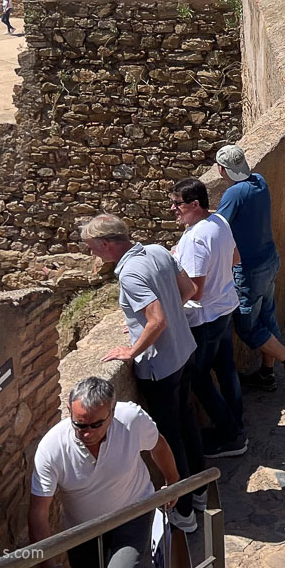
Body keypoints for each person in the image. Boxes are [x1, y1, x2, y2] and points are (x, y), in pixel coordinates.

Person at [81, 213, 206, 533]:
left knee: (169, 435)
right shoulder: (158, 251)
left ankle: (185, 512)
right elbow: (189, 289)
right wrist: (158, 317)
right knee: (188, 421)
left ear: (107, 245)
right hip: (184, 351)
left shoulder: (130, 274)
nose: (92, 254)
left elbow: (157, 319)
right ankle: (202, 492)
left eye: (93, 247)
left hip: (160, 365)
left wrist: (132, 350)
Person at [30, 376, 179, 568]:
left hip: (131, 513)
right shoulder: (52, 448)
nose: (87, 433)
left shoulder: (131, 419)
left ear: (112, 411)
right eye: (79, 424)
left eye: (96, 424)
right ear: (69, 411)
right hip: (83, 529)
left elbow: (158, 445)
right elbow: (38, 512)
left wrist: (173, 481)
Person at [214, 144, 285, 393]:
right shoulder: (260, 181)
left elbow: (218, 228)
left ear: (222, 170)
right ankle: (266, 374)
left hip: (249, 270)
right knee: (267, 315)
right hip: (269, 260)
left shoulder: (234, 195)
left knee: (246, 326)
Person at [170, 177, 247, 458]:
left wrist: (167, 309)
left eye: (177, 204)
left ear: (194, 204)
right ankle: (236, 421)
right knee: (226, 368)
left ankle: (231, 435)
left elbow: (196, 292)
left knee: (199, 376)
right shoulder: (219, 222)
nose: (172, 209)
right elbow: (235, 258)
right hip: (225, 307)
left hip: (206, 318)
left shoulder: (195, 238)